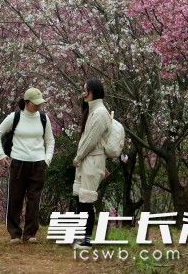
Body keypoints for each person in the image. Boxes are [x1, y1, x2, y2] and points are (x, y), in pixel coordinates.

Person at [0, 87, 55, 243]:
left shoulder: (44, 118)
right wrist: (1, 155)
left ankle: (30, 233)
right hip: (18, 163)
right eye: (35, 103)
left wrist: (47, 159)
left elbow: (50, 140)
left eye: (40, 103)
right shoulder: (15, 117)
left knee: (34, 199)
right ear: (26, 102)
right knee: (15, 198)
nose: (39, 106)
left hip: (38, 164)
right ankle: (14, 233)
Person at [72, 78, 111, 249]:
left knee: (86, 199)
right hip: (89, 160)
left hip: (91, 160)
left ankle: (86, 240)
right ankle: (81, 236)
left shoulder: (100, 113)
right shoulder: (93, 111)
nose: (83, 94)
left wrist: (78, 157)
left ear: (93, 91)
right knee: (81, 199)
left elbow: (91, 141)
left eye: (85, 90)